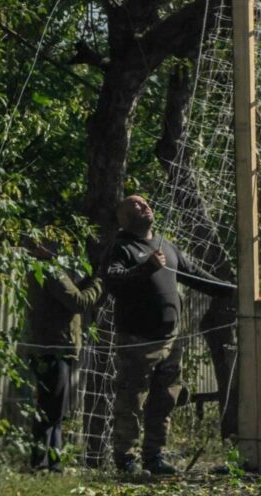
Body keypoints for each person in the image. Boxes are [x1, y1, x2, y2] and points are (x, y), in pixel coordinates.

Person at [101, 194, 236, 476]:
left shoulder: (165, 245)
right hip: (138, 340)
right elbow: (112, 282)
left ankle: (155, 456)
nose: (144, 205)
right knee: (132, 400)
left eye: (144, 202)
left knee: (165, 400)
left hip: (171, 339)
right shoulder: (122, 247)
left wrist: (232, 290)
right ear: (124, 218)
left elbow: (194, 274)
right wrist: (145, 267)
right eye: (135, 205)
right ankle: (126, 459)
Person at [17, 233, 105, 471]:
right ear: (39, 246)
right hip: (54, 348)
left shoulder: (41, 269)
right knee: (50, 411)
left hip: (49, 347)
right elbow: (79, 302)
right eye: (50, 241)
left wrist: (90, 279)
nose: (57, 245)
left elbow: (71, 293)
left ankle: (52, 464)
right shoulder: (50, 271)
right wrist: (99, 281)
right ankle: (41, 464)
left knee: (55, 410)